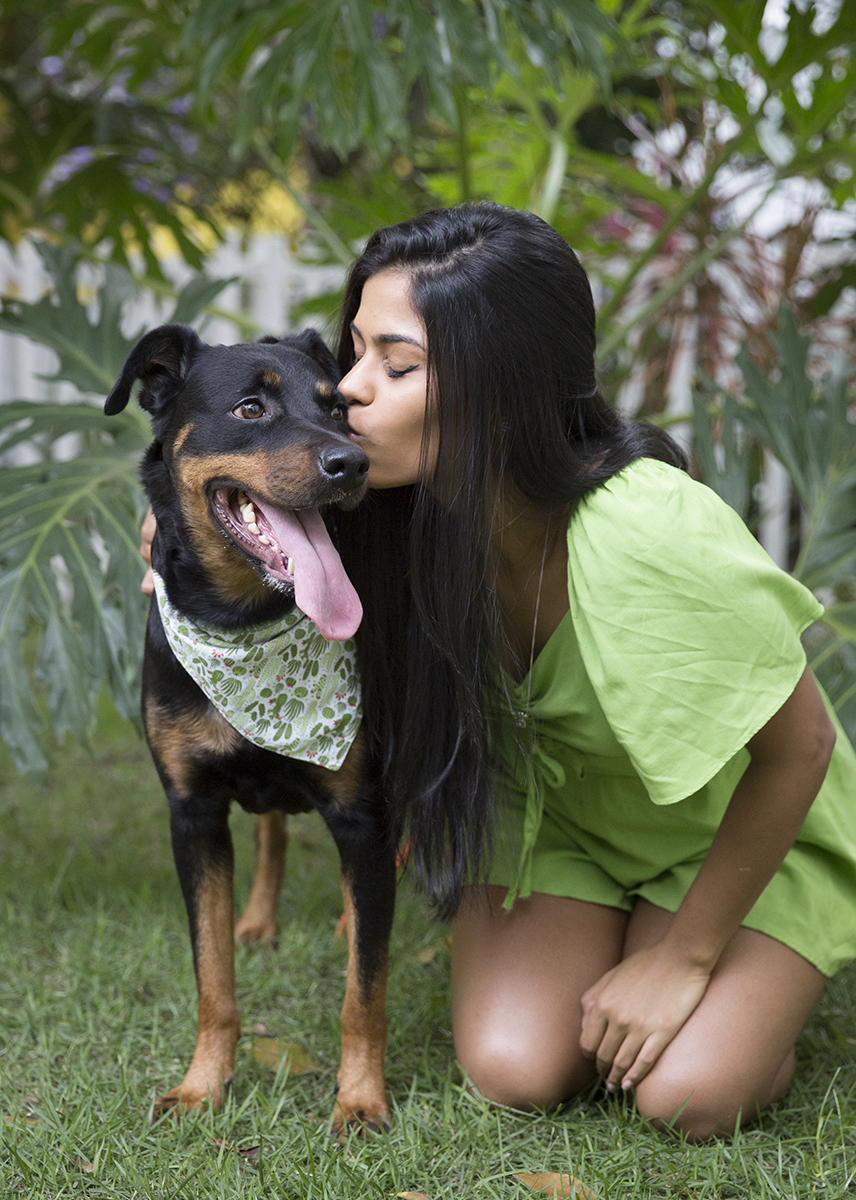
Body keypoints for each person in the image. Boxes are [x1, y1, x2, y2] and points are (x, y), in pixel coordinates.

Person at [140, 203, 856, 1140]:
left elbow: (800, 751)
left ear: (501, 392)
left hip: (732, 834)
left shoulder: (649, 531)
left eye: (393, 367)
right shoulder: (398, 509)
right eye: (352, 354)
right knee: (514, 1067)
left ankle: (736, 994)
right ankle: (646, 946)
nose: (345, 394)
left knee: (686, 1095)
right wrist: (177, 521)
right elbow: (219, 505)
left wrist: (683, 957)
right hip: (557, 830)